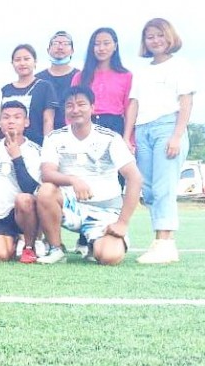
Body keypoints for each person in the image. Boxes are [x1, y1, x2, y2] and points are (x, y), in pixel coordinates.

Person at [36, 87, 142, 265]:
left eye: (81, 104)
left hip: (105, 210)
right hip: (72, 208)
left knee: (109, 257)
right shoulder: (54, 138)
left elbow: (134, 178)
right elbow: (47, 173)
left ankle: (94, 243)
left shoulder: (109, 138)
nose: (75, 110)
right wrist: (73, 180)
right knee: (46, 191)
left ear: (93, 107)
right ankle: (56, 248)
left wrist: (122, 223)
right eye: (70, 105)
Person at [126, 18, 194, 264]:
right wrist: (127, 136)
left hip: (168, 126)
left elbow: (186, 101)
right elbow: (133, 103)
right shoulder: (142, 71)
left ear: (169, 37)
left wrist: (177, 135)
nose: (155, 40)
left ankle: (165, 242)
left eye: (159, 35)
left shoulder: (180, 66)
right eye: (149, 37)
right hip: (142, 130)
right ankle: (161, 241)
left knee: (165, 187)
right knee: (149, 189)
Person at [0, 101, 42, 263]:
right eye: (6, 117)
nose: (11, 121)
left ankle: (29, 245)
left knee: (23, 199)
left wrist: (17, 157)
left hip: (26, 213)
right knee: (0, 255)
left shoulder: (35, 151)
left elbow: (31, 189)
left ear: (26, 122)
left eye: (17, 117)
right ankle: (14, 240)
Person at [73, 28, 132, 135]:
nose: (101, 48)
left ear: (115, 46)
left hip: (114, 127)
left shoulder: (126, 76)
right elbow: (71, 106)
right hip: (86, 126)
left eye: (106, 43)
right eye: (97, 44)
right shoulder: (80, 77)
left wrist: (128, 138)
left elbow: (129, 110)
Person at [1, 44, 60, 145]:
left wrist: (47, 147)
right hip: (7, 146)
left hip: (36, 146)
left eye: (26, 59)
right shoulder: (5, 90)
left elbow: (48, 120)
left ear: (35, 61)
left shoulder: (45, 87)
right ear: (12, 63)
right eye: (18, 60)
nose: (22, 63)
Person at [35, 31, 77, 132]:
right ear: (48, 50)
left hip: (73, 133)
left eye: (65, 44)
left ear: (72, 51)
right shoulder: (37, 79)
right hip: (41, 134)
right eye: (56, 43)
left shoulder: (80, 77)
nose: (60, 47)